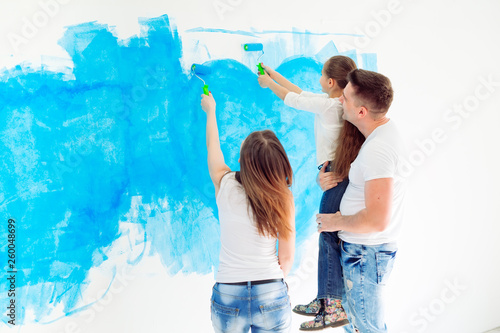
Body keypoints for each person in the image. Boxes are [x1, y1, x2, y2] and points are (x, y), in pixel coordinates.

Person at [257, 56, 364, 331]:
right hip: (335, 170)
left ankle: (332, 307)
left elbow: (293, 99)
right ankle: (325, 299)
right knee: (327, 236)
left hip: (333, 174)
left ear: (330, 82)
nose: (318, 80)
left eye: (321, 75)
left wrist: (269, 84)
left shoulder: (330, 106)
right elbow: (300, 92)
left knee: (327, 237)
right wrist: (274, 74)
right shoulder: (336, 102)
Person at [317, 69, 407, 333]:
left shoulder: (378, 150)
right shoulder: (379, 136)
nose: (339, 101)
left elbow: (377, 220)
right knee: (358, 325)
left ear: (361, 112)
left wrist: (337, 221)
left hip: (366, 255)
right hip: (363, 253)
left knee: (366, 328)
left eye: (345, 97)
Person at [201, 92, 295, 333]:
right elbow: (285, 260)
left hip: (229, 293)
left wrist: (211, 111)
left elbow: (213, 146)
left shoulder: (225, 183)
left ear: (244, 161)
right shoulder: (283, 198)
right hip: (271, 292)